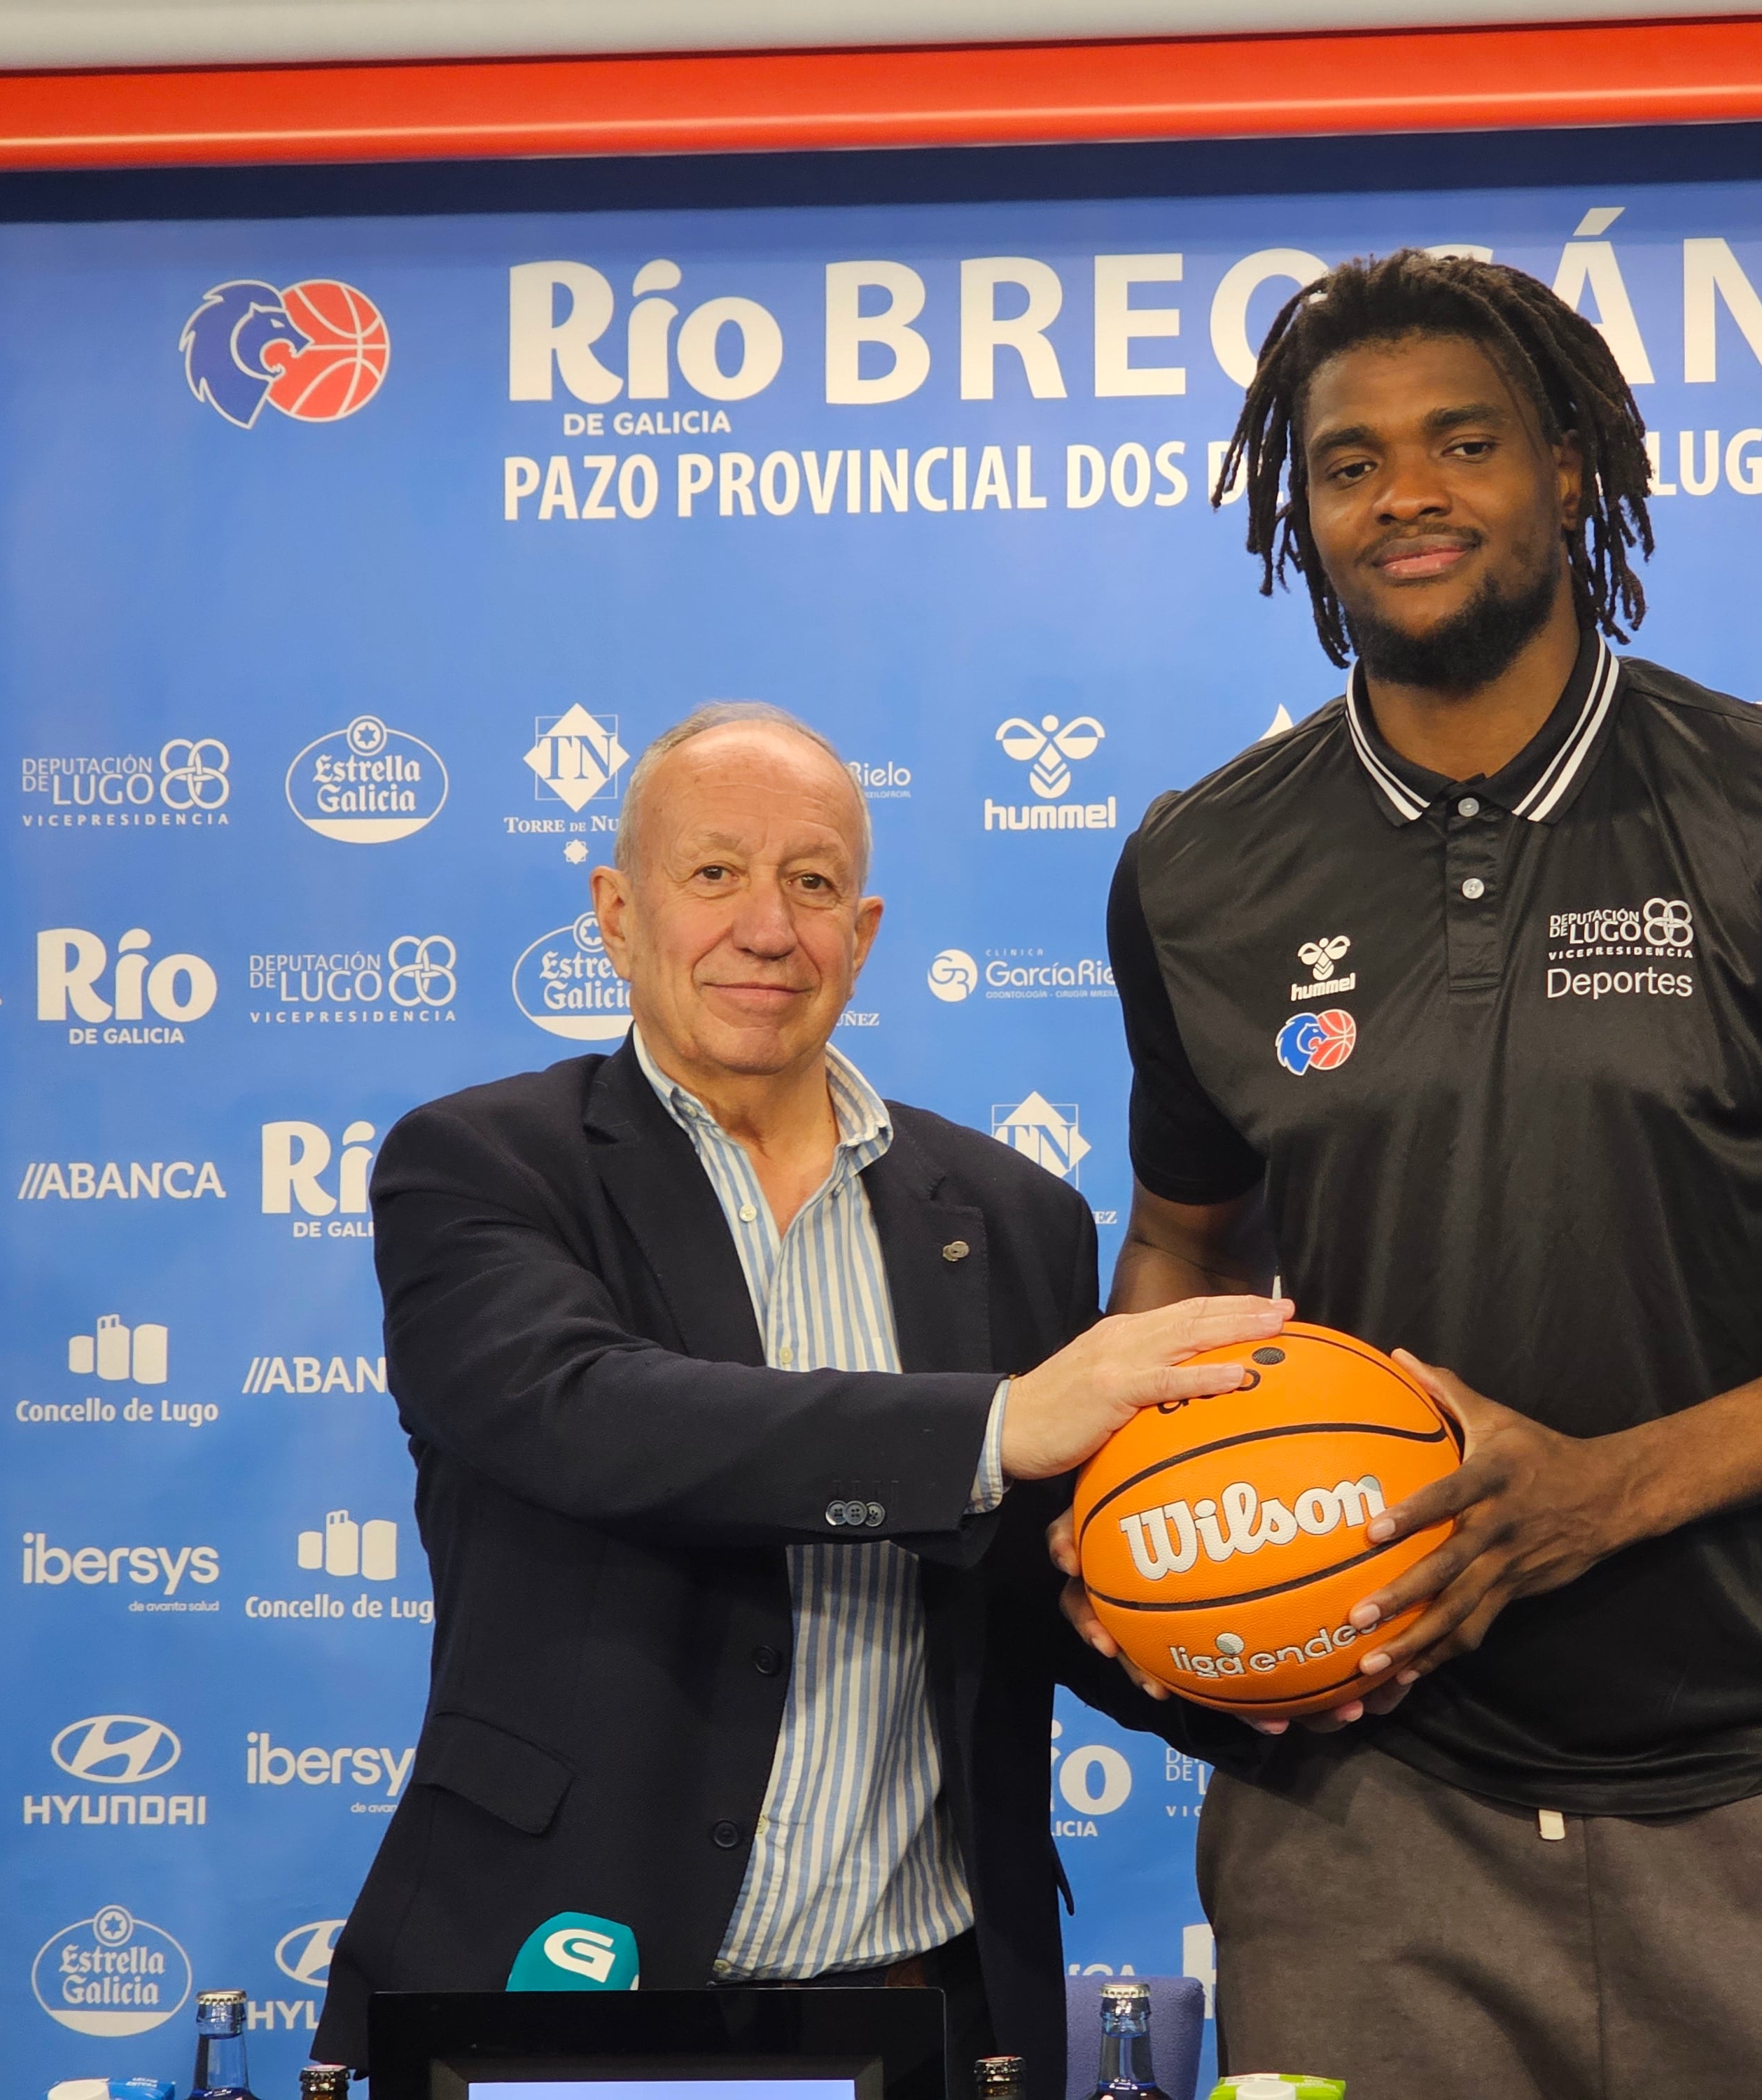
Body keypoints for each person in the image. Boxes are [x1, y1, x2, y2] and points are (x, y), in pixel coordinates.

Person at [1065, 251, 1762, 2097]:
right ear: (1300, 515)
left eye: (1464, 441)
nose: (1407, 493)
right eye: (1351, 462)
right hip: (1365, 1816)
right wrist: (1138, 1503)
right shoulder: (1198, 872)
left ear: (1568, 469)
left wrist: (1604, 1495)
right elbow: (1179, 1252)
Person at [315, 703, 1286, 2099]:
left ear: (865, 932)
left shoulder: (1011, 1216)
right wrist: (998, 1426)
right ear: (616, 912)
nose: (768, 928)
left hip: (928, 2013)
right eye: (714, 875)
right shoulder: (481, 1168)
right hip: (548, 1991)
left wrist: (1250, 1662)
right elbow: (590, 1416)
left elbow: (1049, 1577)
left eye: (813, 883)